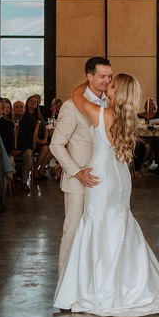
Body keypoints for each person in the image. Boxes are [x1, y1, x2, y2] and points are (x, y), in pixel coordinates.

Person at [52, 75, 159, 316]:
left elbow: (75, 95)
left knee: (98, 225)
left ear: (117, 91)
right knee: (118, 223)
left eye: (111, 83)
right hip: (120, 178)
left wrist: (89, 81)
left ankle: (99, 288)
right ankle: (127, 282)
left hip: (101, 177)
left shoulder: (100, 112)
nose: (107, 85)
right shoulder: (128, 117)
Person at [50, 57, 112, 278]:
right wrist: (77, 172)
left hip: (106, 180)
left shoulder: (112, 102)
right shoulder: (71, 105)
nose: (107, 81)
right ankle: (65, 284)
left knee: (102, 232)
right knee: (73, 232)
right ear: (89, 76)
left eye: (109, 76)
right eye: (102, 76)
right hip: (78, 183)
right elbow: (56, 145)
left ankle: (94, 280)